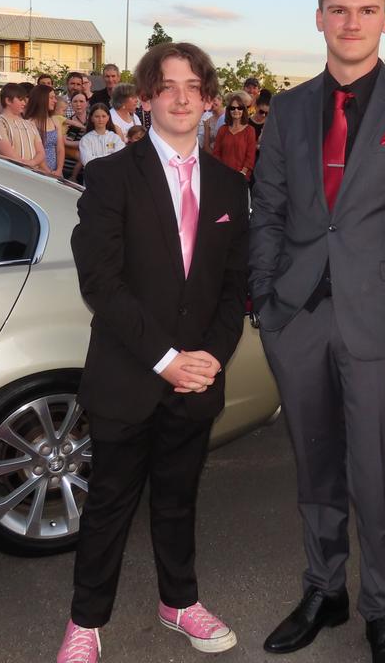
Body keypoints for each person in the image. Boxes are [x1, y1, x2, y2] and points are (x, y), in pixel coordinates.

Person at [250, 0, 385, 663]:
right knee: (315, 468)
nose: (352, 22)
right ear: (319, 17)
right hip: (298, 321)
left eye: (367, 9)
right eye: (339, 8)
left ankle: (383, 610)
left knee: (376, 474)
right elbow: (267, 209)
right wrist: (268, 300)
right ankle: (323, 589)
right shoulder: (289, 107)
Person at [57, 41, 249, 663]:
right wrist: (165, 357)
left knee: (178, 497)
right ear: (145, 99)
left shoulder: (228, 186)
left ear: (211, 100)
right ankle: (86, 622)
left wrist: (212, 357)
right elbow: (101, 284)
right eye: (167, 86)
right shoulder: (112, 175)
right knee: (108, 504)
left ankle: (179, 602)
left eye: (194, 86)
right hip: (130, 376)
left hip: (196, 380)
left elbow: (232, 287)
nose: (182, 96)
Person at [0, 83, 46, 171]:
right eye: (20, 99)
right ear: (8, 101)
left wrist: (32, 163)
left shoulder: (30, 124)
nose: (24, 103)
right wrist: (26, 166)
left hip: (33, 174)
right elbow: (8, 153)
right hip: (12, 174)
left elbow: (41, 152)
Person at [212, 91, 256, 179]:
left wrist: (242, 174)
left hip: (241, 178)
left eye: (239, 108)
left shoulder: (250, 131)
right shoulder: (223, 130)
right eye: (233, 108)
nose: (236, 110)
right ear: (229, 110)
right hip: (222, 176)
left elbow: (250, 157)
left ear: (243, 110)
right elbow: (216, 153)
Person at [25, 83, 65, 176]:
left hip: (57, 172)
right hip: (39, 171)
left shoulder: (55, 120)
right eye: (51, 98)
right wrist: (48, 171)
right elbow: (35, 151)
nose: (55, 101)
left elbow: (60, 148)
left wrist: (59, 169)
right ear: (41, 99)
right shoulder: (29, 123)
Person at [76, 103, 125, 175]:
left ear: (108, 117)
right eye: (97, 116)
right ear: (92, 118)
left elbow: (120, 158)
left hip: (113, 177)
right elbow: (87, 162)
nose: (100, 119)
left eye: (104, 116)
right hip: (93, 179)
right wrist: (110, 156)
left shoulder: (115, 138)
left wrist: (96, 158)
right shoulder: (86, 139)